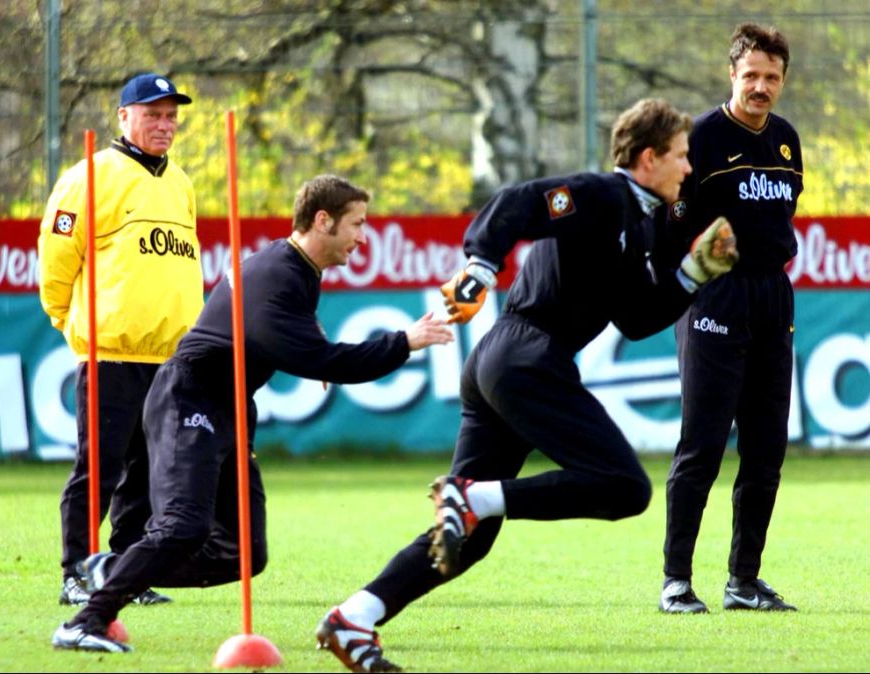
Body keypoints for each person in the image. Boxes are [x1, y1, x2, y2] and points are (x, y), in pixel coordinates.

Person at [315, 98, 740, 673]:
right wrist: (481, 266)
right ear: (648, 157)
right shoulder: (599, 194)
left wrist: (693, 273)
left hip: (504, 363)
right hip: (525, 359)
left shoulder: (640, 221)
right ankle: (473, 498)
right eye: (682, 156)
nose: (689, 169)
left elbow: (636, 319)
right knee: (623, 487)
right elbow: (517, 203)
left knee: (470, 540)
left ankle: (354, 618)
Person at [50, 174, 456, 653]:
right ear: (322, 221)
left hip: (229, 410)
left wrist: (313, 343)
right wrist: (404, 342)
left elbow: (292, 336)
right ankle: (84, 622)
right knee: (183, 526)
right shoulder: (279, 275)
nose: (362, 238)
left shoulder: (296, 271)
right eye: (357, 224)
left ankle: (112, 569)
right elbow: (328, 362)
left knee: (242, 552)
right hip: (190, 399)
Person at [38, 72, 202, 608]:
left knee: (149, 476)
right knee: (100, 468)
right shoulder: (89, 176)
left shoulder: (180, 182)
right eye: (153, 113)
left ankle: (127, 573)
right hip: (112, 352)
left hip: (169, 358)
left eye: (171, 114)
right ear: (124, 116)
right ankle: (76, 571)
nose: (164, 123)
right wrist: (69, 322)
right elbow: (57, 262)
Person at [658, 23, 803, 614]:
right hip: (715, 297)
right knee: (703, 445)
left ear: (783, 79)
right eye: (752, 76)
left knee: (767, 448)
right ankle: (675, 581)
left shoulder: (789, 140)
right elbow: (670, 226)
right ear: (731, 75)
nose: (761, 87)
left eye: (772, 77)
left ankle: (744, 581)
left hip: (773, 297)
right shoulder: (702, 139)